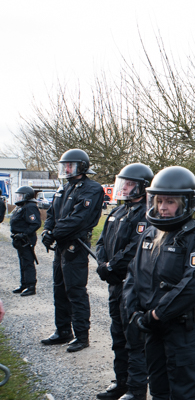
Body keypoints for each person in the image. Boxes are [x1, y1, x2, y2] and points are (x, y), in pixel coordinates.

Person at [123, 166, 195, 400]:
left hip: (183, 331)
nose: (163, 207)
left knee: (185, 393)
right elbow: (133, 276)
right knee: (159, 390)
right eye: (159, 201)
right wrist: (134, 312)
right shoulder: (149, 233)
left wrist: (157, 313)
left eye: (170, 201)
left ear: (186, 203)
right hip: (152, 329)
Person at [95, 163, 153, 400]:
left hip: (132, 284)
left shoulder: (147, 214)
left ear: (142, 187)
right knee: (117, 334)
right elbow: (100, 243)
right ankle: (121, 382)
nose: (125, 188)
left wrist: (111, 265)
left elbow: (135, 249)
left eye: (130, 184)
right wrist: (103, 264)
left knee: (133, 338)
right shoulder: (117, 212)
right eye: (124, 183)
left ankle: (136, 389)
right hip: (114, 284)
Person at [41, 148, 105, 353]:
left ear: (82, 167)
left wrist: (55, 232)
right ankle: (63, 331)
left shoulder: (91, 189)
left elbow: (79, 219)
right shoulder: (64, 188)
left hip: (75, 245)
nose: (67, 169)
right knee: (59, 288)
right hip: (61, 244)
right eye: (65, 166)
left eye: (71, 165)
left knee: (75, 291)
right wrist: (47, 231)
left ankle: (81, 335)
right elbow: (51, 213)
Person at [10, 186, 41, 296]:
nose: (18, 197)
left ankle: (31, 286)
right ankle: (24, 284)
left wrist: (24, 234)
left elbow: (35, 223)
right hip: (19, 239)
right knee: (22, 262)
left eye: (20, 195)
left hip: (26, 239)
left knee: (28, 263)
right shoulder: (21, 206)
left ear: (27, 196)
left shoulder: (30, 207)